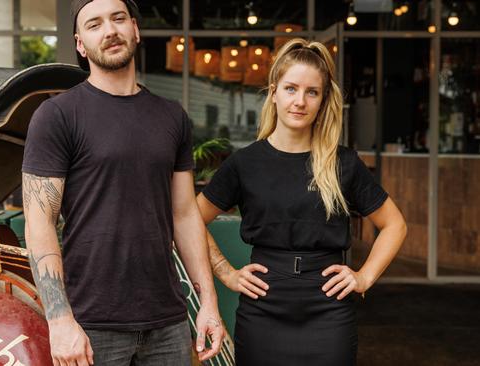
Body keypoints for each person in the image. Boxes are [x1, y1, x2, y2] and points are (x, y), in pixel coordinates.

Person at [21, 0, 225, 365]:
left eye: (117, 19)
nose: (109, 30)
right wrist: (59, 318)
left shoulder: (171, 116)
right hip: (92, 323)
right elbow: (40, 222)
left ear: (135, 29)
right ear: (81, 44)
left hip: (168, 322)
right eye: (94, 24)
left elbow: (184, 215)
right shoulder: (57, 116)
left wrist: (208, 301)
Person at [196, 38, 407, 366]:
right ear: (273, 91)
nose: (300, 101)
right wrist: (226, 273)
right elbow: (191, 219)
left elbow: (394, 224)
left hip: (328, 309)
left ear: (323, 100)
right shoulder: (245, 163)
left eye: (312, 92)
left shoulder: (342, 163)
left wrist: (364, 277)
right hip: (263, 305)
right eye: (291, 88)